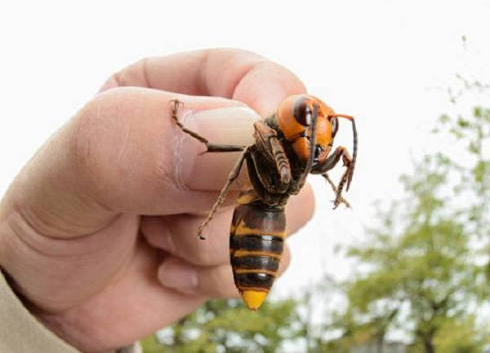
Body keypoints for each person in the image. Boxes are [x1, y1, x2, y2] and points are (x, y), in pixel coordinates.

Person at [0, 49, 315, 352]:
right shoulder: (263, 133)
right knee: (241, 153)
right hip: (257, 224)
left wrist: (47, 328)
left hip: (263, 222)